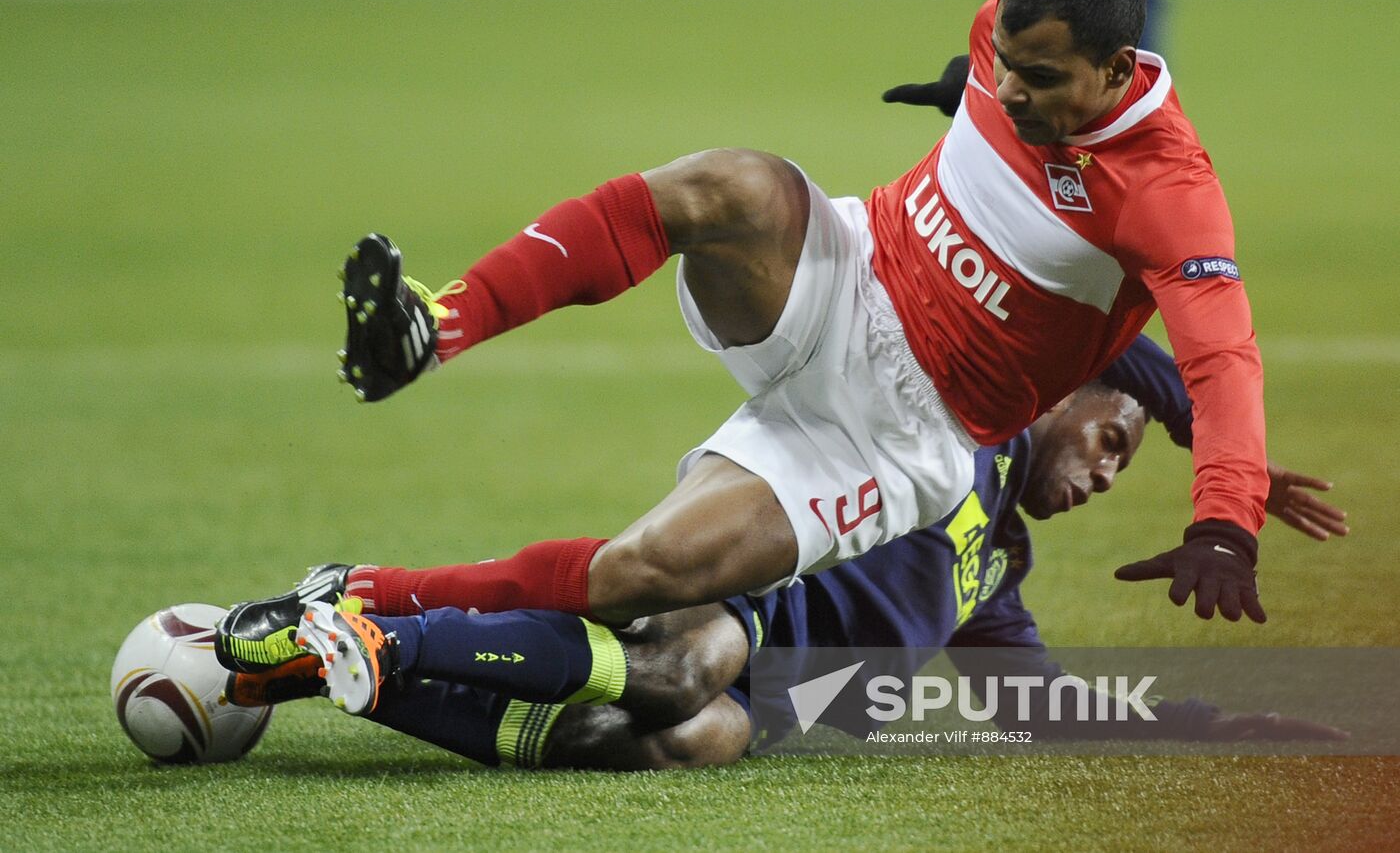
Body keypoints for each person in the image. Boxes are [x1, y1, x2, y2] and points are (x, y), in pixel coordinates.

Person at [218, 0, 1273, 676]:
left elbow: (1223, 362)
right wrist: (969, 86)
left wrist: (1223, 521)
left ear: (1114, 69)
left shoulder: (1171, 197)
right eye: (1006, 69)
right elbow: (995, 90)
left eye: (1039, 82)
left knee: (648, 571)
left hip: (895, 430)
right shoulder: (1007, 40)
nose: (1011, 94)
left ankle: (357, 592)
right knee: (733, 185)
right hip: (846, 270)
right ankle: (431, 328)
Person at [223, 340, 1347, 770]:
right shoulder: (970, 420)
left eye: (1121, 471)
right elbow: (1111, 331)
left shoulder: (992, 575)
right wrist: (1219, 445)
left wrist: (1216, 722)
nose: (1105, 473)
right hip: (750, 595)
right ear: (1061, 394)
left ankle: (342, 666)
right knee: (672, 668)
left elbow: (1041, 707)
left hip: (764, 699)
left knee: (668, 739)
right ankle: (383, 622)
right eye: (1111, 439)